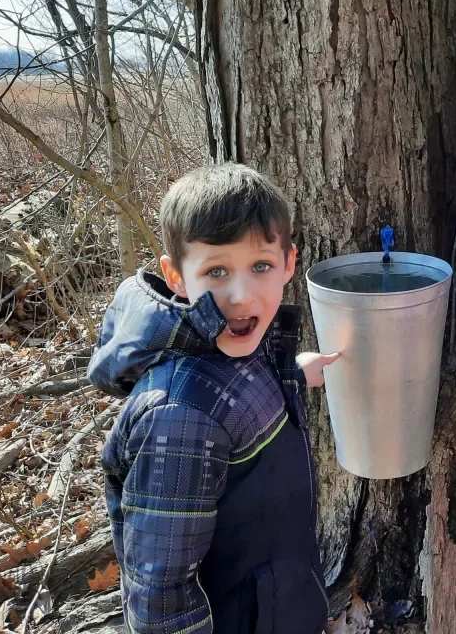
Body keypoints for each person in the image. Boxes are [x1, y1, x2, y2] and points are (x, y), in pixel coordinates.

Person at [89, 163, 338, 634]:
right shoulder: (180, 420)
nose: (241, 296)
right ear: (176, 276)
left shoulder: (240, 343)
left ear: (289, 263)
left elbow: (239, 389)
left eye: (260, 265)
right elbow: (161, 597)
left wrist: (294, 373)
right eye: (216, 271)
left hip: (279, 601)